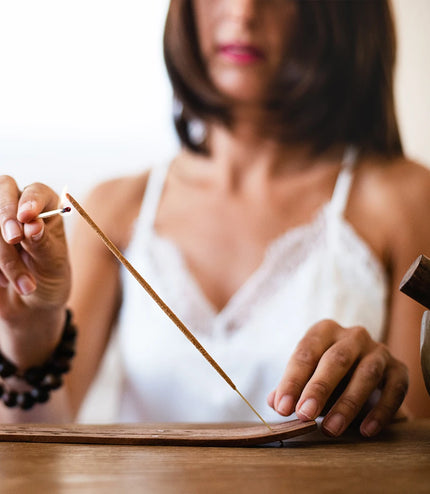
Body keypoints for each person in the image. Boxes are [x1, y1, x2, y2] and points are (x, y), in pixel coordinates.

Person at [0, 0, 429, 437]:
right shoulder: (117, 207)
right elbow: (34, 437)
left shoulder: (405, 201)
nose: (242, 12)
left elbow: (415, 456)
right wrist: (28, 328)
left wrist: (379, 400)